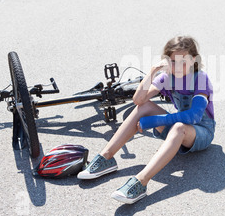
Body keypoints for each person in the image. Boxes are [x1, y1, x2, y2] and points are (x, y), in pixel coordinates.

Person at [77, 36, 216, 204]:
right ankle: (107, 157)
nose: (177, 66)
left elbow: (193, 117)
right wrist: (152, 72)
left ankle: (141, 181)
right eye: (173, 61)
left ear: (193, 59)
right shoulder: (167, 78)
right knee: (144, 107)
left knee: (179, 127)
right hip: (176, 128)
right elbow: (138, 100)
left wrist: (154, 121)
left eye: (183, 61)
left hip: (200, 131)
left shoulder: (200, 78)